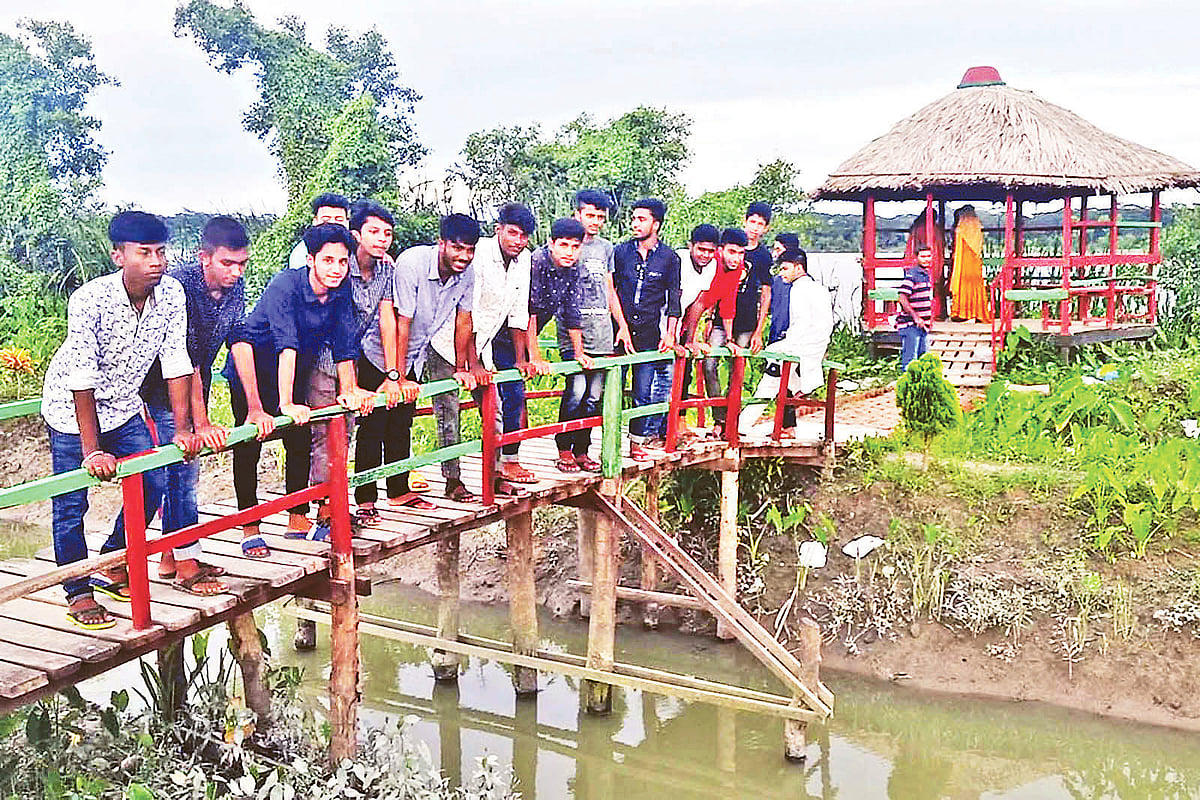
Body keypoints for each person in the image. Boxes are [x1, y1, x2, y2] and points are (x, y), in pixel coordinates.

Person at [41, 211, 203, 629]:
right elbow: (81, 376)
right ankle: (78, 592)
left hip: (123, 406)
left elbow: (175, 360)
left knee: (154, 480)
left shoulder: (172, 295)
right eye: (144, 252)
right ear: (119, 256)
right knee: (71, 503)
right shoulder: (90, 300)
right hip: (71, 411)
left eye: (161, 252)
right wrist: (92, 450)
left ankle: (113, 561)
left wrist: (183, 429)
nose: (156, 261)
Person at [222, 223, 375, 558]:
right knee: (249, 444)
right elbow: (285, 344)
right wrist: (286, 403)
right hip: (253, 370)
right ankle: (250, 527)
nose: (336, 269)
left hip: (293, 371)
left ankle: (297, 518)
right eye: (328, 261)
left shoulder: (340, 291)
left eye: (343, 262)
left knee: (300, 438)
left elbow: (344, 343)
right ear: (310, 260)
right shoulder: (286, 285)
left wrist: (350, 389)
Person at [140, 216, 251, 597]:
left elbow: (238, 340)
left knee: (179, 473)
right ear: (205, 257)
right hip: (158, 388)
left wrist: (255, 407)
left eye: (242, 264)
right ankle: (185, 564)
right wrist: (198, 423)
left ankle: (170, 557)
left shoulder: (235, 288)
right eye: (227, 263)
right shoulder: (181, 287)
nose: (236, 272)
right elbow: (184, 359)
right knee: (180, 474)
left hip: (191, 384)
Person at [429, 203, 538, 496]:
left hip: (483, 344)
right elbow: (468, 313)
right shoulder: (479, 256)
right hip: (447, 343)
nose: (518, 241)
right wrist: (471, 364)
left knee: (494, 411)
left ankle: (495, 475)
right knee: (448, 413)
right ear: (498, 229)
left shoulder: (524, 260)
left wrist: (521, 359)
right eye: (512, 233)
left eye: (524, 236)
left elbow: (518, 310)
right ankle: (453, 482)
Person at [392, 214, 493, 500]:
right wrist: (397, 375)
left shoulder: (467, 274)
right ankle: (364, 500)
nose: (464, 256)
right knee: (376, 424)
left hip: (422, 349)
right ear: (441, 243)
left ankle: (403, 489)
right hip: (387, 352)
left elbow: (464, 320)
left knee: (402, 421)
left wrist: (462, 367)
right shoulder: (413, 263)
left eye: (470, 250)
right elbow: (402, 322)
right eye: (457, 248)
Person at [557, 190, 630, 468]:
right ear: (577, 214)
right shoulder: (568, 247)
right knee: (576, 391)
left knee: (593, 397)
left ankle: (582, 451)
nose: (595, 221)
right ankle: (564, 449)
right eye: (590, 215)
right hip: (574, 333)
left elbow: (609, 289)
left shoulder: (606, 248)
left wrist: (621, 326)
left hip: (602, 333)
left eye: (600, 216)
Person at [520, 218, 597, 471]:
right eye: (564, 245)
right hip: (509, 331)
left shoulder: (572, 268)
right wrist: (534, 356)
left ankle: (577, 450)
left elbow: (572, 312)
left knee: (588, 393)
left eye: (575, 247)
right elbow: (528, 312)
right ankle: (507, 463)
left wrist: (579, 353)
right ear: (551, 243)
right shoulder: (537, 262)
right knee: (509, 399)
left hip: (529, 329)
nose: (569, 252)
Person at [612, 199, 681, 460]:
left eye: (641, 219)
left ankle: (636, 443)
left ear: (656, 224)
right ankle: (609, 444)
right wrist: (620, 326)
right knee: (613, 390)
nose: (635, 224)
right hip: (619, 332)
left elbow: (673, 299)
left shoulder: (669, 258)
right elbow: (612, 290)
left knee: (643, 392)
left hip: (650, 333)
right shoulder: (620, 252)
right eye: (633, 218)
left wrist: (670, 334)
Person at [738, 249, 833, 436]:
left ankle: (741, 426)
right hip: (817, 344)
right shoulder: (818, 288)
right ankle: (798, 392)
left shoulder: (799, 289)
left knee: (772, 373)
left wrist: (786, 346)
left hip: (803, 345)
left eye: (785, 269)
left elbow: (801, 323)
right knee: (777, 374)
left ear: (798, 268)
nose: (782, 273)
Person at [682, 228, 748, 436]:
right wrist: (691, 338)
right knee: (681, 369)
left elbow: (728, 304)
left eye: (740, 253)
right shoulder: (711, 264)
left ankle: (720, 421)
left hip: (691, 318)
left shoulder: (737, 270)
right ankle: (672, 426)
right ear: (720, 250)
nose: (736, 258)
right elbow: (698, 303)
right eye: (731, 252)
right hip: (680, 316)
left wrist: (729, 339)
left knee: (690, 370)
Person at [671, 224, 720, 437]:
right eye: (701, 249)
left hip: (680, 322)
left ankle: (679, 424)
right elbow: (671, 297)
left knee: (685, 370)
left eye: (710, 251)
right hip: (661, 319)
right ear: (690, 245)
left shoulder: (711, 266)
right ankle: (662, 429)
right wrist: (671, 336)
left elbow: (698, 304)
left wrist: (689, 339)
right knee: (662, 374)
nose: (705, 255)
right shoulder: (678, 260)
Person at [736, 201, 774, 352]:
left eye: (760, 224)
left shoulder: (764, 256)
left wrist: (758, 331)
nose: (755, 227)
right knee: (710, 359)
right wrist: (709, 318)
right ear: (745, 221)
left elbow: (766, 294)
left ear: (766, 228)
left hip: (747, 320)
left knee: (740, 360)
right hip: (721, 318)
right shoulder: (730, 247)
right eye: (752, 222)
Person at [286, 193, 351, 270]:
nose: (332, 224)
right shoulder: (301, 253)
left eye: (339, 220)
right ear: (315, 222)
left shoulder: (356, 248)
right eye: (326, 220)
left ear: (347, 223)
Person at [949, 205, 991, 323]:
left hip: (963, 262)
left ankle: (963, 313)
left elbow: (957, 246)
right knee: (975, 286)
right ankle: (976, 312)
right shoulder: (977, 224)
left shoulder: (962, 226)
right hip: (975, 261)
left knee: (962, 286)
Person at [897, 246, 935, 368]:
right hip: (911, 325)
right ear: (916, 258)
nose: (926, 259)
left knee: (923, 359)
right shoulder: (912, 275)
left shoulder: (926, 275)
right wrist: (916, 317)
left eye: (928, 256)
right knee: (910, 361)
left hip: (923, 325)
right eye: (923, 256)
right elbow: (902, 297)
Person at [905, 210, 945, 318]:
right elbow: (941, 246)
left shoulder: (917, 228)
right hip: (935, 260)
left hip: (919, 261)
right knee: (935, 287)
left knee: (917, 287)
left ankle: (918, 312)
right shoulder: (936, 229)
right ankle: (936, 313)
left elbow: (912, 247)